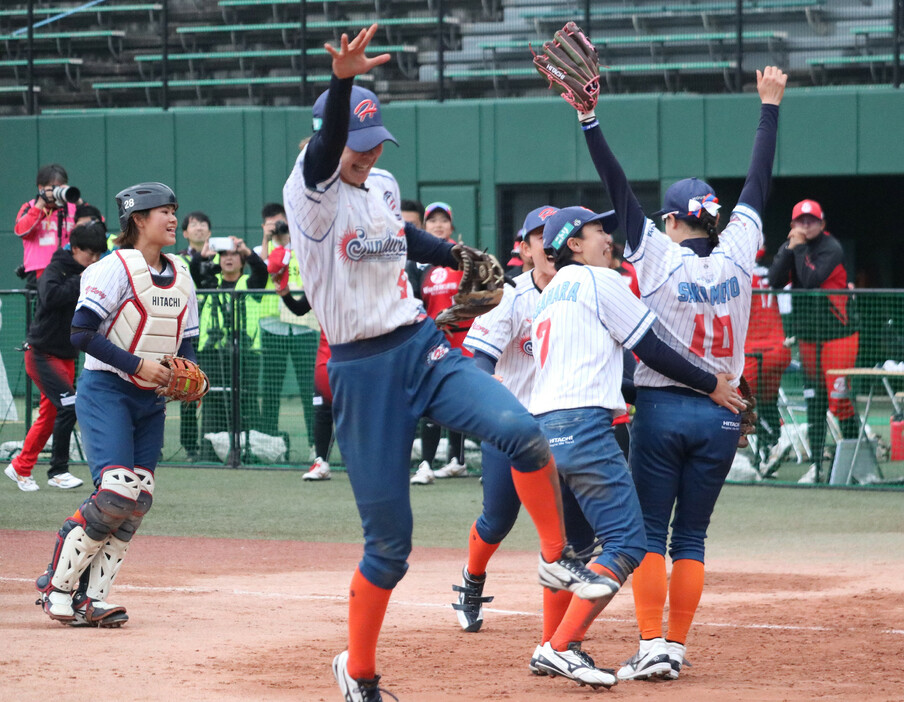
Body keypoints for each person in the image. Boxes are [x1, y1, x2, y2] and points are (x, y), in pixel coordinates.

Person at [283, 24, 614, 701]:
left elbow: (397, 235)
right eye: (359, 144)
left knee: (521, 431)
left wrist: (455, 256)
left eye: (377, 146)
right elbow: (323, 153)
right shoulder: (308, 192)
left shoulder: (379, 184)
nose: (369, 158)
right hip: (361, 370)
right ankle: (361, 673)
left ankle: (557, 560)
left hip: (418, 346)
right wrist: (342, 81)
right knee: (390, 549)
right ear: (333, 135)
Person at [569, 65, 787, 681]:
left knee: (646, 535)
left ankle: (649, 643)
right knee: (692, 538)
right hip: (723, 414)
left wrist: (590, 117)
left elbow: (616, 187)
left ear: (671, 221)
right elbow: (758, 180)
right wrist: (768, 106)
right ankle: (678, 647)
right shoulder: (741, 250)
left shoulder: (659, 254)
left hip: (663, 408)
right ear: (714, 218)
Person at [525, 206, 743, 688]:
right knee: (628, 542)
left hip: (544, 431)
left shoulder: (549, 294)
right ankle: (557, 647)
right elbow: (653, 348)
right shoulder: (599, 281)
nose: (609, 236)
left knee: (576, 550)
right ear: (574, 245)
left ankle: (557, 642)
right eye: (598, 230)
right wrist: (711, 384)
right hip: (583, 426)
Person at [34, 181, 201, 628]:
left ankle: (93, 598)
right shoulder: (115, 268)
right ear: (138, 220)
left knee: (139, 497)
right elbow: (81, 333)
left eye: (174, 209)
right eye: (163, 211)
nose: (172, 219)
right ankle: (57, 587)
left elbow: (189, 340)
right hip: (107, 388)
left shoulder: (182, 274)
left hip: (150, 400)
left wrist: (187, 374)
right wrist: (138, 365)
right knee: (115, 491)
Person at [4, 222, 107, 492]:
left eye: (98, 255)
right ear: (74, 249)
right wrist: (82, 278)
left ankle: (20, 467)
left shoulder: (92, 271)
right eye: (89, 254)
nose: (94, 260)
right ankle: (58, 471)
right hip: (41, 353)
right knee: (70, 406)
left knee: (50, 416)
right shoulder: (56, 268)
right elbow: (49, 297)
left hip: (66, 355)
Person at [767, 200, 859, 483]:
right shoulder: (795, 245)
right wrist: (788, 248)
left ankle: (856, 463)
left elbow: (809, 280)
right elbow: (773, 280)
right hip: (808, 335)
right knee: (815, 400)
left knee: (839, 401)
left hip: (838, 335)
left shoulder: (832, 248)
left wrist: (798, 247)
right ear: (793, 224)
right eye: (800, 221)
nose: (806, 226)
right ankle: (817, 467)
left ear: (822, 224)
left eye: (811, 221)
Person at [409, 201, 472, 484]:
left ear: (451, 225)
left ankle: (457, 460)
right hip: (433, 341)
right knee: (431, 401)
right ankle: (425, 464)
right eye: (432, 220)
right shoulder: (419, 265)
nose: (438, 225)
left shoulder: (464, 258)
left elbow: (477, 298)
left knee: (459, 399)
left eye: (443, 220)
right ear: (424, 226)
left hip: (462, 338)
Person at [193, 236, 267, 457]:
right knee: (212, 399)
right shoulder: (209, 282)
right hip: (212, 351)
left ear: (241, 260)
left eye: (233, 254)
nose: (228, 258)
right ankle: (210, 451)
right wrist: (202, 255)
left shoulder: (249, 283)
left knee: (246, 400)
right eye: (224, 254)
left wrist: (246, 250)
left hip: (246, 352)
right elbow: (195, 270)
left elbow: (262, 272)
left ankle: (249, 451)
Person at [257, 202, 319, 451]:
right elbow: (259, 270)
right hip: (274, 327)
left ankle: (316, 443)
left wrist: (289, 238)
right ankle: (269, 442)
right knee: (271, 388)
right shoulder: (262, 249)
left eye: (281, 222)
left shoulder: (303, 247)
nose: (278, 227)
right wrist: (268, 239)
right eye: (272, 223)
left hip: (304, 326)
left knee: (309, 388)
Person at [745, 248, 792, 476]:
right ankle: (769, 452)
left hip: (752, 350)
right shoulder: (773, 274)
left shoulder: (738, 272)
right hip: (779, 348)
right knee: (767, 401)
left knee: (741, 405)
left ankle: (771, 446)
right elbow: (788, 308)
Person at [177, 210, 216, 460]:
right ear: (184, 233)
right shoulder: (178, 259)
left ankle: (213, 444)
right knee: (186, 389)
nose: (199, 228)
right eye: (194, 224)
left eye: (203, 224)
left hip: (215, 335)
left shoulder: (222, 258)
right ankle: (190, 446)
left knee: (215, 393)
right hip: (186, 334)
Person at [15, 164, 78, 289]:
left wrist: (77, 200)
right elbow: (21, 231)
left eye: (61, 187)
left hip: (69, 271)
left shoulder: (74, 208)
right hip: (39, 272)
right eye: (53, 188)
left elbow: (96, 226)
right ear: (41, 188)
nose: (56, 192)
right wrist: (40, 206)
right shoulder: (30, 207)